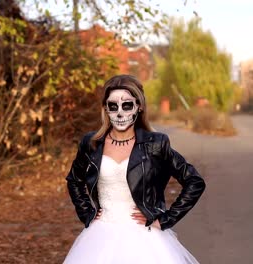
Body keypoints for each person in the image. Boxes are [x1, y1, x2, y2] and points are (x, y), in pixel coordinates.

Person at [63, 75, 206, 264]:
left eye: (127, 105)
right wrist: (86, 212)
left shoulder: (155, 144)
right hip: (99, 236)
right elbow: (74, 179)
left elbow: (194, 181)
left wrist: (165, 219)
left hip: (145, 238)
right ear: (106, 109)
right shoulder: (92, 144)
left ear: (139, 106)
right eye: (113, 106)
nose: (120, 113)